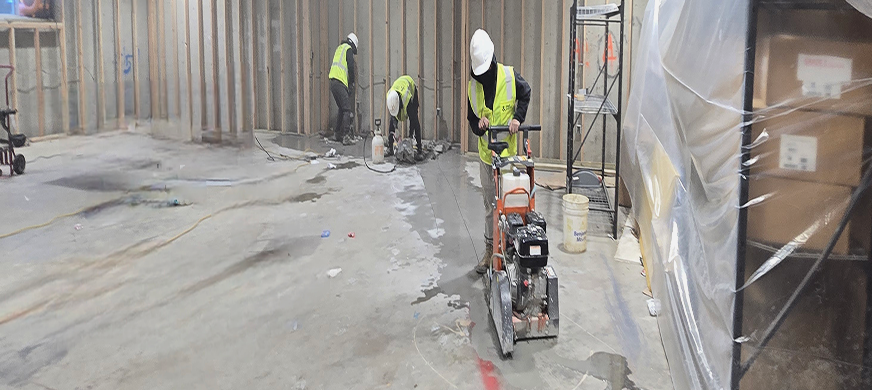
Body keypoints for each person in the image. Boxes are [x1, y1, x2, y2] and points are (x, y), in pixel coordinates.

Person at [467, 29, 532, 274]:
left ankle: (510, 250)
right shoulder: (474, 86)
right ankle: (489, 251)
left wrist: (517, 117)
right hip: (486, 157)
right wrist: (480, 126)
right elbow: (472, 120)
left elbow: (526, 93)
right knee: (489, 206)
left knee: (510, 204)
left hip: (508, 157)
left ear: (492, 61)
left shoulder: (509, 75)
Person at [328, 33, 358, 145]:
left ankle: (337, 134)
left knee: (341, 108)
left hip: (333, 82)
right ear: (353, 44)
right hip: (340, 82)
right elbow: (350, 66)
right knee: (347, 109)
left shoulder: (339, 48)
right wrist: (351, 83)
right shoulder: (348, 49)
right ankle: (345, 136)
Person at [385, 75, 424, 161]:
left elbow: (412, 120)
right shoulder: (390, 97)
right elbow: (393, 115)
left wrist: (410, 136)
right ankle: (390, 148)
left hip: (411, 88)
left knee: (416, 122)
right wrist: (395, 128)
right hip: (398, 89)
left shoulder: (407, 99)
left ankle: (419, 150)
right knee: (391, 123)